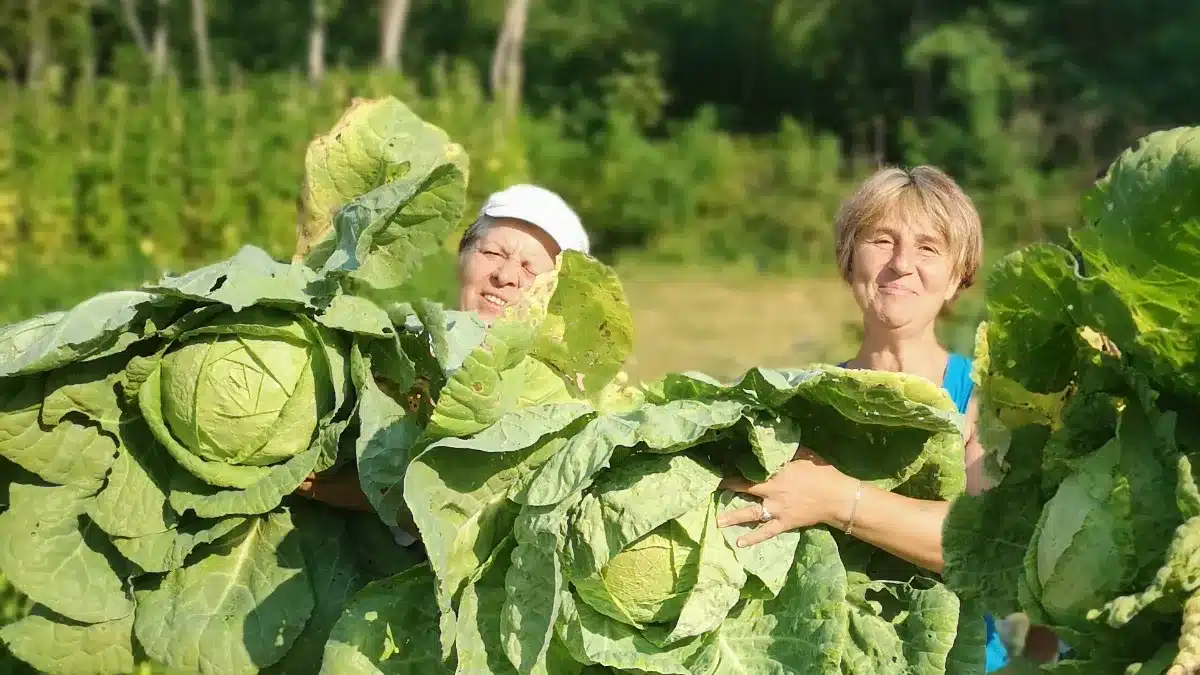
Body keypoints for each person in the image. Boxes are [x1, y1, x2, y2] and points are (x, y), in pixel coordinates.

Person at [714, 166, 1060, 670]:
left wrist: (832, 498)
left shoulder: (987, 402)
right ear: (848, 260)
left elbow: (987, 545)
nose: (901, 264)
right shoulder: (798, 403)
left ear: (956, 277)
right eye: (881, 240)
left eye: (928, 248)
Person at [294, 184, 591, 524]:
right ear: (462, 255)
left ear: (560, 297)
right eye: (493, 253)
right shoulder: (393, 339)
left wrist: (352, 492)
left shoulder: (559, 400)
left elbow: (480, 519)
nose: (504, 276)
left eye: (530, 269)